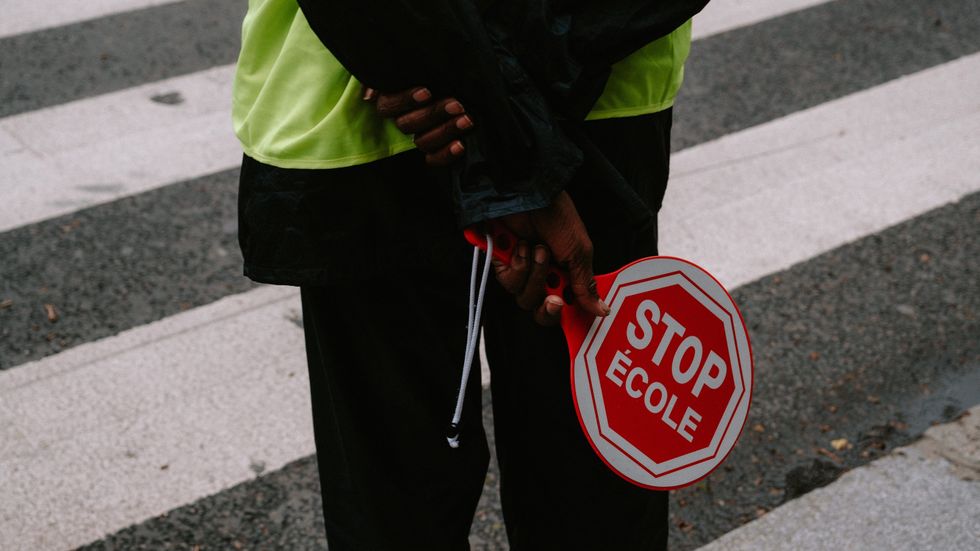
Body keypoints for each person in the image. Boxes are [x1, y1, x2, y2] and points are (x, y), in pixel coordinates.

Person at [233, 1, 709, 548]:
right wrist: (512, 123)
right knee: (588, 497)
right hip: (593, 105)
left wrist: (462, 82)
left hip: (376, 101)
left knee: (399, 503)